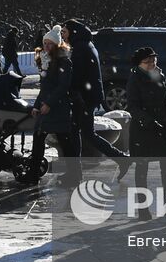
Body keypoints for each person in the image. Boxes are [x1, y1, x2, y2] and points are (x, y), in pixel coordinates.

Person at [63, 19, 130, 176]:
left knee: (82, 133)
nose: (63, 35)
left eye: (64, 32)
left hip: (84, 97)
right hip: (88, 96)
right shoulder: (86, 44)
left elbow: (78, 75)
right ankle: (76, 169)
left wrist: (71, 90)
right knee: (81, 132)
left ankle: (76, 170)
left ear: (73, 32)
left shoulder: (80, 47)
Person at [126, 46, 166, 220]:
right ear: (139, 64)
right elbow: (132, 105)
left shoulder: (159, 75)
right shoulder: (135, 78)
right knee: (142, 169)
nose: (151, 64)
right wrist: (147, 120)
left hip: (161, 127)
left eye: (153, 60)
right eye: (147, 61)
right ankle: (143, 209)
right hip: (143, 130)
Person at [31, 39, 81, 186]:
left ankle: (73, 175)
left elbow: (62, 86)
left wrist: (48, 103)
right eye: (45, 43)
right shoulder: (46, 61)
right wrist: (36, 105)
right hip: (47, 107)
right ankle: (34, 174)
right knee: (41, 139)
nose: (46, 46)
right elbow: (44, 88)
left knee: (64, 142)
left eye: (50, 44)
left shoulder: (63, 62)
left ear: (57, 45)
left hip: (57, 108)